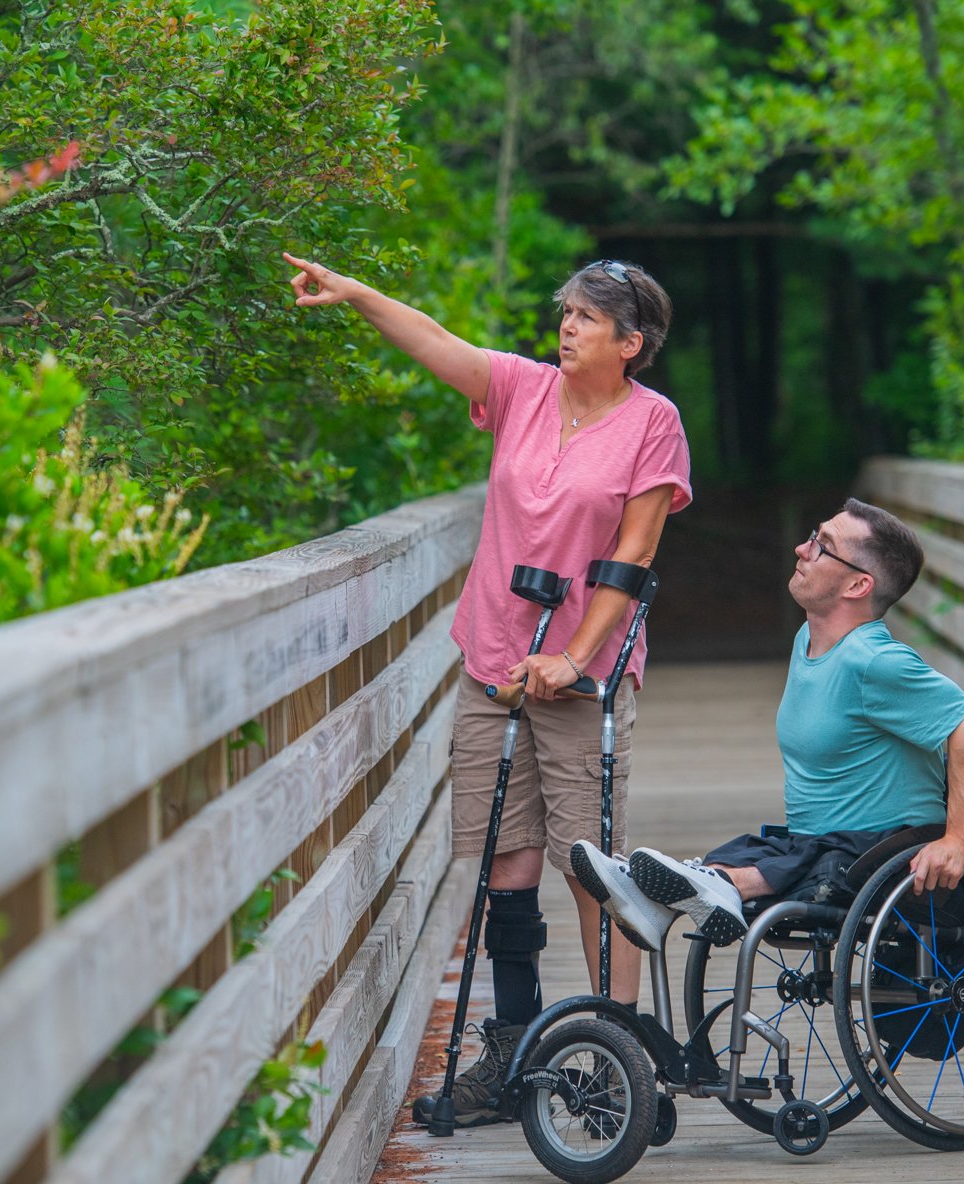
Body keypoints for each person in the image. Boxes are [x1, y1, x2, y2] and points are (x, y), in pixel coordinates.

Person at [285, 252, 692, 1128]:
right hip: (494, 661)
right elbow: (434, 340)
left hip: (584, 678)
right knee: (505, 864)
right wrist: (356, 295)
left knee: (591, 868)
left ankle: (622, 1057)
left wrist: (576, 660)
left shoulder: (653, 425)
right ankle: (509, 1056)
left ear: (632, 342)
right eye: (566, 311)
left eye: (586, 317)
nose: (567, 325)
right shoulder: (522, 390)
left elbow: (634, 558)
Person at [571, 499, 964, 951]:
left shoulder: (874, 660)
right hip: (820, 840)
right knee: (762, 850)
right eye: (814, 536)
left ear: (858, 585)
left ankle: (714, 885)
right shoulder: (809, 640)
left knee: (802, 860)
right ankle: (666, 896)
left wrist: (958, 840)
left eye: (822, 546)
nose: (801, 548)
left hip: (885, 851)